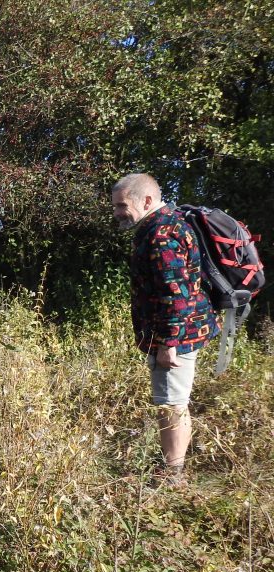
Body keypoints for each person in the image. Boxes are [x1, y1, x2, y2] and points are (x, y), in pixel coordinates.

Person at [111, 173, 220, 484]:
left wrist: (168, 343)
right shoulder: (165, 224)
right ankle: (174, 467)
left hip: (177, 335)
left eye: (122, 205)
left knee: (171, 404)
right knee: (173, 400)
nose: (117, 212)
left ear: (146, 200)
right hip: (183, 329)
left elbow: (175, 294)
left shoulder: (161, 234)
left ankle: (173, 476)